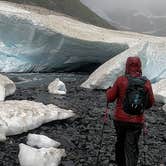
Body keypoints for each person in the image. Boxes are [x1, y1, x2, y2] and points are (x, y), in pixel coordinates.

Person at [106, 56, 154, 166]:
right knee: (132, 146)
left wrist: (108, 91)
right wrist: (139, 107)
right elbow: (151, 102)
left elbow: (110, 98)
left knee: (120, 142)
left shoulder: (121, 80)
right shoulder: (146, 82)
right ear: (139, 66)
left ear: (127, 66)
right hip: (137, 121)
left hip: (120, 119)